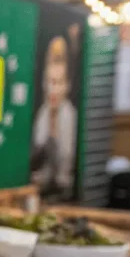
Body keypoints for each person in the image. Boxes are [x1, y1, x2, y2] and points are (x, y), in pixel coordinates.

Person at [31, 36, 77, 199]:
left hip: (62, 192)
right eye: (49, 81)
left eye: (58, 82)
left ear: (67, 85)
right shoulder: (43, 113)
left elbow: (65, 160)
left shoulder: (69, 115)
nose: (53, 88)